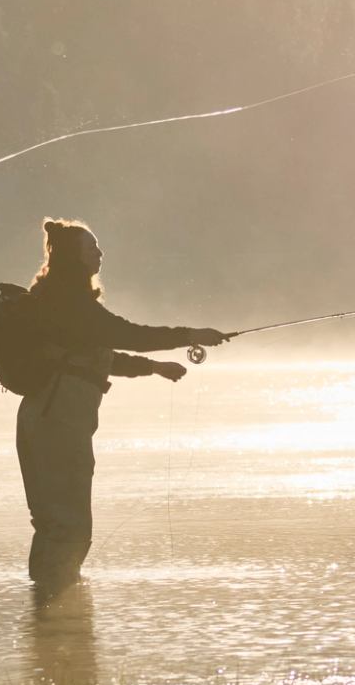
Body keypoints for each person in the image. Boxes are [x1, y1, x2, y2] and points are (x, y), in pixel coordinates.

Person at [13, 219, 229, 592]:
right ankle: (60, 615)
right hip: (58, 423)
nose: (100, 254)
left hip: (42, 419)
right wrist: (189, 335)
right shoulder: (71, 304)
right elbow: (127, 334)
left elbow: (93, 356)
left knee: (52, 523)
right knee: (70, 525)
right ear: (74, 259)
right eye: (92, 249)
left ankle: (44, 614)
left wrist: (154, 368)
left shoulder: (56, 303)